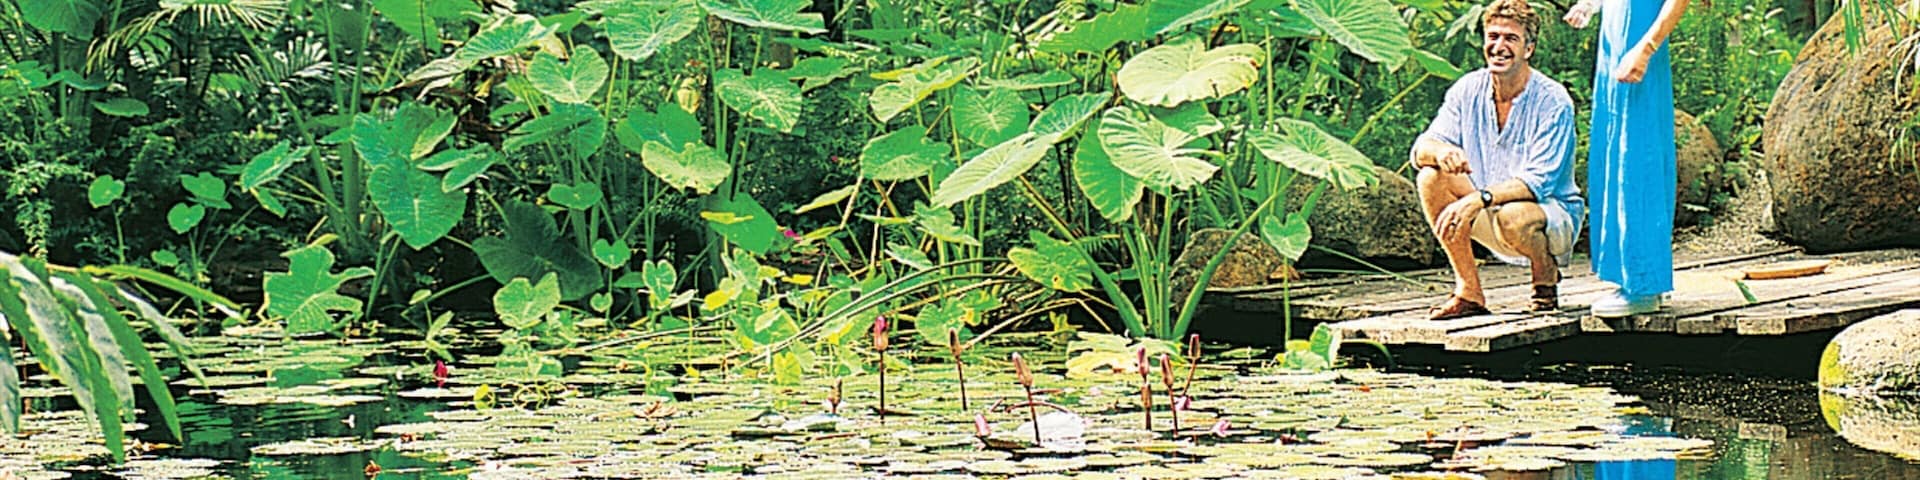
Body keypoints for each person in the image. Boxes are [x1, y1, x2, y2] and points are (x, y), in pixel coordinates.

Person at [1410, 0, 1585, 321]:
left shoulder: (1553, 100)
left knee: (1513, 216)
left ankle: (1544, 274)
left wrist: (1478, 199)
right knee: (1430, 176)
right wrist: (1442, 152)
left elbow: (1539, 182)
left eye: (1510, 38)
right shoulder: (1467, 88)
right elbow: (1422, 149)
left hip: (1546, 215)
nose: (1499, 46)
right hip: (1486, 205)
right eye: (1493, 37)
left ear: (1528, 49)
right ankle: (1469, 292)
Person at [1565, 0, 1689, 318]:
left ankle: (1643, 285)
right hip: (1614, 48)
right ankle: (1631, 279)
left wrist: (1646, 49)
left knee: (1638, 159)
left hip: (1638, 45)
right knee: (1615, 156)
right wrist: (1590, 4)